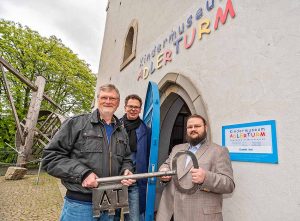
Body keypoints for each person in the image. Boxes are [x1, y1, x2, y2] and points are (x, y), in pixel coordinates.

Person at [42, 84, 135, 221]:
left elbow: (126, 159)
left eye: (112, 98)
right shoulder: (76, 123)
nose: (108, 101)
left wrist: (126, 171)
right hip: (81, 204)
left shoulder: (121, 131)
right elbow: (50, 157)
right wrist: (83, 173)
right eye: (104, 97)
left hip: (111, 202)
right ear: (98, 100)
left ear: (118, 102)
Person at [156, 114, 235, 221]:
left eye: (197, 126)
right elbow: (167, 164)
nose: (193, 129)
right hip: (170, 211)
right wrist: (163, 171)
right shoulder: (177, 148)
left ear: (205, 128)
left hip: (199, 215)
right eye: (190, 127)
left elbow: (229, 184)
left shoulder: (219, 151)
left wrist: (206, 178)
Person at [114, 94, 150, 221]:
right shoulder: (114, 127)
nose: (133, 109)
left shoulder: (147, 130)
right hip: (115, 178)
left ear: (140, 109)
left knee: (134, 217)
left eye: (136, 107)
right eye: (130, 106)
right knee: (113, 216)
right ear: (125, 107)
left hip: (135, 179)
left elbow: (149, 154)